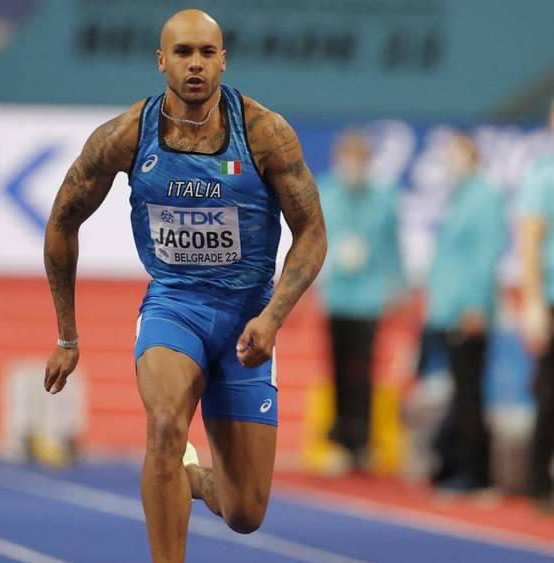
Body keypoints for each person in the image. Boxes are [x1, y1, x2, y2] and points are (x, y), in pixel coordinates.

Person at [42, 10, 326, 561]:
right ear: (161, 61)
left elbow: (312, 232)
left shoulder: (265, 133)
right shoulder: (125, 136)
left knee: (245, 512)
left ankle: (191, 479)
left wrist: (272, 318)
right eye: (182, 53)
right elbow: (62, 222)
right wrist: (67, 337)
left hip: (248, 315)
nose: (194, 64)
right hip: (176, 304)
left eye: (205, 52)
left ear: (222, 59)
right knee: (166, 424)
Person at [424, 133, 506, 493]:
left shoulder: (484, 196)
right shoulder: (459, 196)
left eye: (455, 155)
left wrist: (474, 305)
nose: (449, 162)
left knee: (470, 393)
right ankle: (453, 463)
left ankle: (477, 474)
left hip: (467, 310)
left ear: (472, 156)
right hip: (450, 308)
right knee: (460, 390)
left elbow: (484, 256)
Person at [318, 131, 403, 471]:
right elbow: (313, 239)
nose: (352, 165)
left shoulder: (384, 197)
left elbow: (392, 246)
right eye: (347, 157)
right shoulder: (327, 191)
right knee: (337, 368)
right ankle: (340, 440)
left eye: (359, 158)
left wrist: (398, 286)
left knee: (364, 370)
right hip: (337, 293)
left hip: (369, 296)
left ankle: (362, 442)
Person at [517, 97, 554, 512]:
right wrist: (533, 302)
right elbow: (530, 240)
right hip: (551, 297)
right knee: (549, 392)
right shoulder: (544, 176)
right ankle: (539, 482)